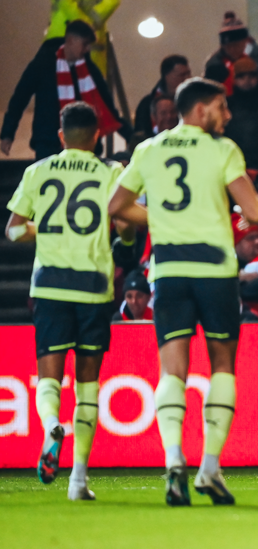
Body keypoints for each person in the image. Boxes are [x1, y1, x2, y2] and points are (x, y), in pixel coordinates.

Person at [108, 77, 258, 506]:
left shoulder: (148, 149)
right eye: (221, 106)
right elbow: (255, 210)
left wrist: (159, 218)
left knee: (172, 370)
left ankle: (174, 461)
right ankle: (210, 469)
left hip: (170, 270)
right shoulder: (223, 149)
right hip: (214, 270)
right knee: (221, 368)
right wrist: (235, 212)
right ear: (201, 111)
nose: (227, 114)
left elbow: (116, 207)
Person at [5, 102, 131, 500]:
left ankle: (50, 428)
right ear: (96, 136)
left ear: (61, 136)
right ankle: (79, 479)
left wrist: (40, 231)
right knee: (88, 384)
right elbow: (127, 226)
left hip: (50, 285)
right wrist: (125, 239)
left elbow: (11, 232)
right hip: (93, 286)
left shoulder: (37, 171)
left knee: (49, 376)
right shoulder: (112, 172)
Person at [2, 20, 127, 160]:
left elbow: (108, 107)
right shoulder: (43, 64)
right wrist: (7, 134)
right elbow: (20, 99)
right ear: (71, 40)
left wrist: (132, 136)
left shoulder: (90, 70)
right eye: (84, 44)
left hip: (83, 146)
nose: (87, 50)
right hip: (48, 145)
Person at [135, 55, 192, 135]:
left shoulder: (193, 102)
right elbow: (140, 133)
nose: (187, 79)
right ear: (167, 77)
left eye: (188, 74)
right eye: (182, 75)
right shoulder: (147, 104)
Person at [204, 11, 250, 96]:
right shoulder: (215, 65)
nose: (232, 49)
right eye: (228, 46)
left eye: (236, 45)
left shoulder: (252, 59)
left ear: (245, 42)